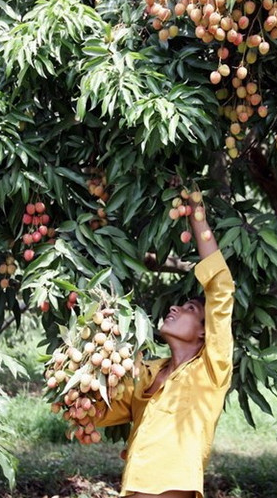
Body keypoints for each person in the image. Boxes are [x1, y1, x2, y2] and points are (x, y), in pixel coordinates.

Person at [92, 197, 234, 498]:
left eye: (190, 309)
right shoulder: (145, 372)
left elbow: (220, 288)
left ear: (204, 334)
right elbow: (100, 409)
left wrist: (196, 214)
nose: (175, 308)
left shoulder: (212, 368)